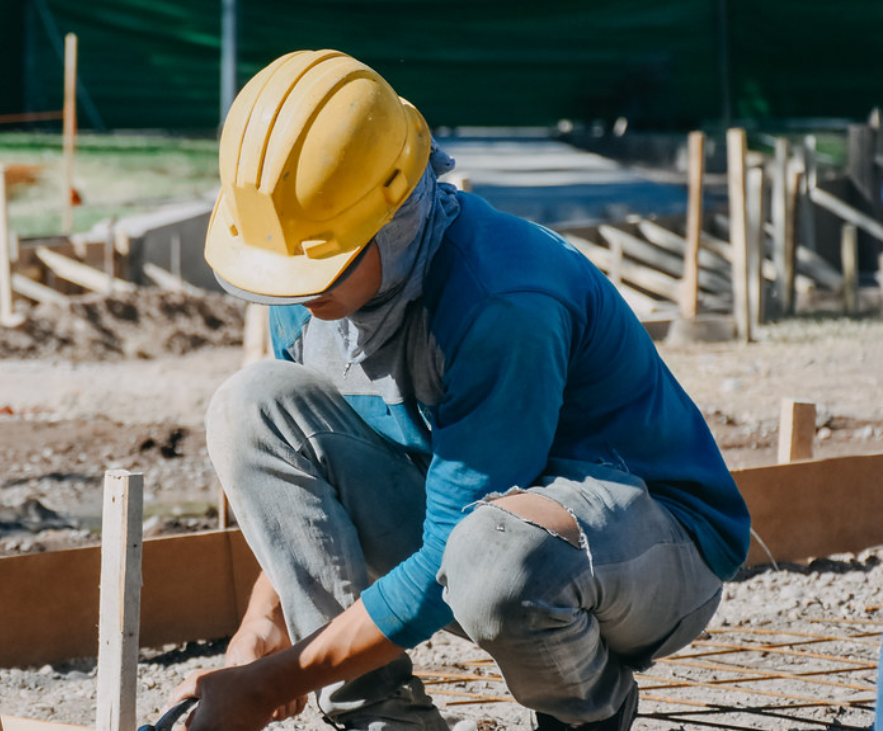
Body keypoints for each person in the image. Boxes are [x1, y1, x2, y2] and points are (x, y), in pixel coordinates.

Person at [171, 49, 751, 731]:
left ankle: (588, 717)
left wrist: (269, 684)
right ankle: (382, 717)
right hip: (485, 532)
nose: (296, 290)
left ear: (392, 217)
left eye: (317, 263)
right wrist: (263, 625)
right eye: (282, 268)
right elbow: (312, 496)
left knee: (496, 559)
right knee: (251, 406)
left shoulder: (502, 301)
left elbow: (456, 553)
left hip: (653, 550)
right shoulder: (307, 289)